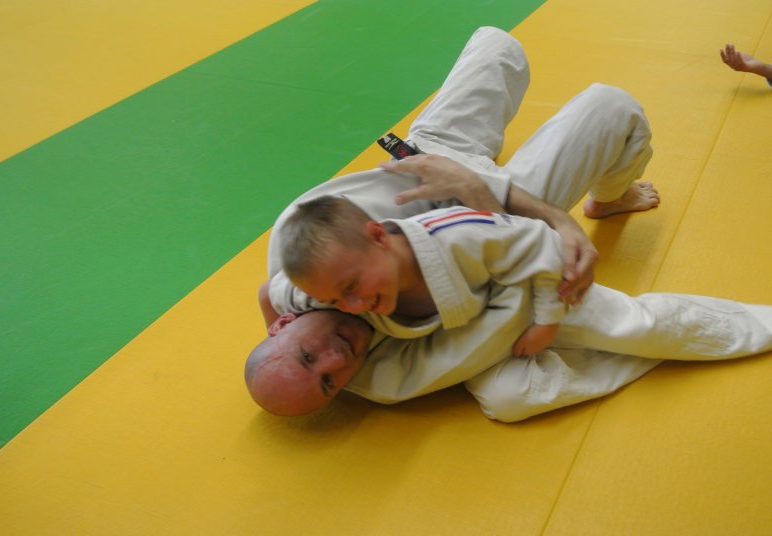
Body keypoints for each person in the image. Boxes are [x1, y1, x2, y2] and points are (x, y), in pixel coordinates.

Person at [247, 26, 667, 421]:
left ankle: (493, 168)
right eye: (329, 383)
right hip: (504, 221)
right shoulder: (387, 376)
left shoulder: (305, 251)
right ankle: (611, 197)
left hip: (430, 159)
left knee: (498, 45)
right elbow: (497, 282)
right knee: (613, 106)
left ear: (282, 323)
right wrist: (500, 201)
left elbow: (270, 292)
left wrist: (466, 180)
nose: (337, 360)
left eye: (307, 355)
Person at [272, 195, 772, 420]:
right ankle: (636, 356)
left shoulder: (457, 234)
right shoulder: (322, 290)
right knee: (510, 401)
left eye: (353, 287)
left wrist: (548, 321)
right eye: (336, 300)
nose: (353, 306)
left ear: (379, 236)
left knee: (640, 328)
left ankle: (755, 325)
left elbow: (542, 245)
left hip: (541, 291)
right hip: (486, 337)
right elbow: (271, 294)